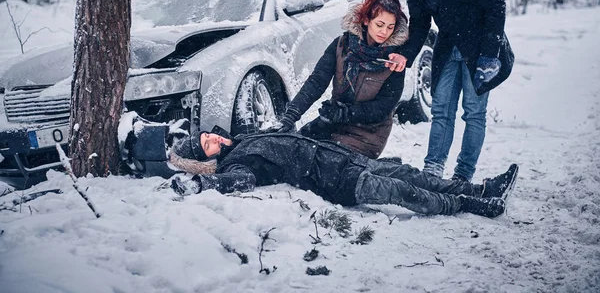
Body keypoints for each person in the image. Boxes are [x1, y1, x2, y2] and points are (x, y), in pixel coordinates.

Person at [380, 0, 514, 181]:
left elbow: (496, 4)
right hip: (448, 47)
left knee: (474, 112)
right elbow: (420, 22)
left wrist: (489, 55)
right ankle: (433, 169)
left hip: (479, 48)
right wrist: (406, 55)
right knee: (441, 110)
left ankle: (463, 174)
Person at [165, 128, 519, 219]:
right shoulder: (235, 165)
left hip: (345, 158)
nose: (213, 138)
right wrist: (201, 182)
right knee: (401, 192)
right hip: (339, 182)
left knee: (412, 173)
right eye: (208, 144)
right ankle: (464, 204)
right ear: (208, 160)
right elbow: (239, 182)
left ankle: (480, 187)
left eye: (208, 135)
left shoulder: (245, 137)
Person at [267, 0, 409, 159]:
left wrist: (347, 113)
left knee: (319, 162)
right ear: (365, 20)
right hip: (333, 122)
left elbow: (383, 107)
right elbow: (316, 82)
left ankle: (384, 168)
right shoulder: (342, 45)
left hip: (366, 135)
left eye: (390, 27)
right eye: (379, 24)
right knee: (289, 149)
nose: (384, 32)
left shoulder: (395, 60)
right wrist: (291, 116)